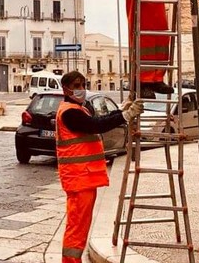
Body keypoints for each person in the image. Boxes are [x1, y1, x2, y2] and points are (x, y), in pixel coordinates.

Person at [55, 71, 143, 263]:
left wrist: (120, 112)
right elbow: (96, 125)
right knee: (77, 226)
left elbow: (99, 120)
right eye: (76, 86)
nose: (81, 89)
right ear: (66, 89)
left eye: (83, 85)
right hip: (79, 179)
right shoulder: (70, 112)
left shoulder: (78, 108)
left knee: (80, 225)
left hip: (83, 178)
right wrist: (125, 116)